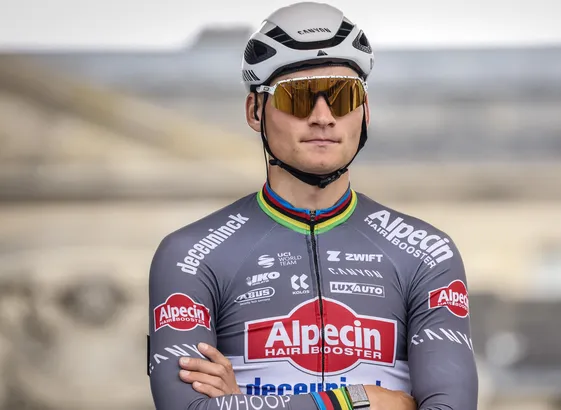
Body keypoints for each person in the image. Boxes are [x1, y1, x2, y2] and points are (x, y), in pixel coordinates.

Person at [147, 2, 479, 409]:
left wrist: (239, 403)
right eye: (298, 97)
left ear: (365, 111)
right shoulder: (190, 255)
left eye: (343, 96)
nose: (323, 117)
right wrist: (362, 401)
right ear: (255, 111)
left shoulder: (428, 253)